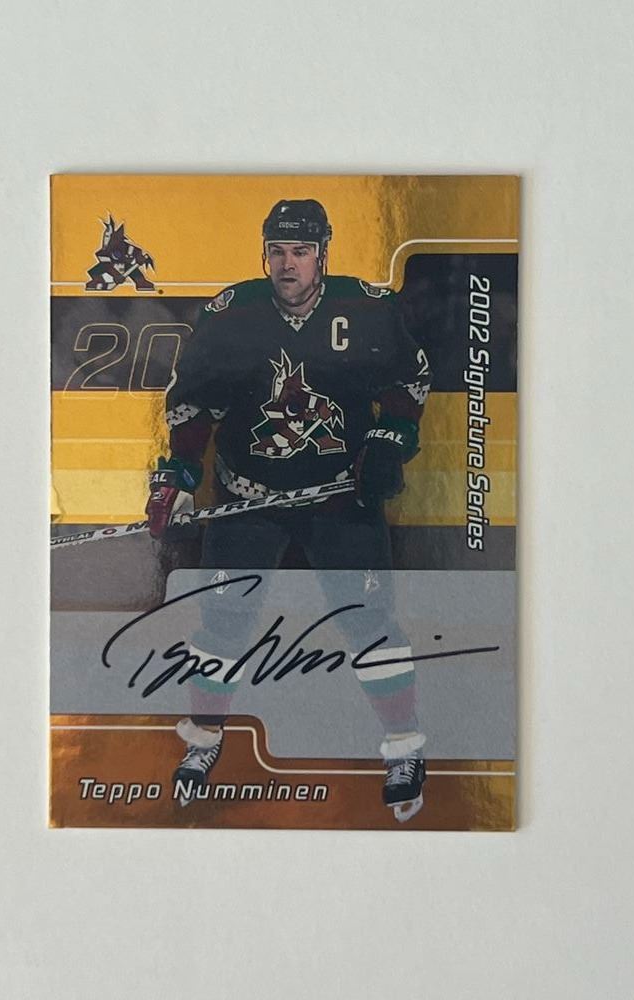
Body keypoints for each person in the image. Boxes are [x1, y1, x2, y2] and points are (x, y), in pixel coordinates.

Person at [146, 199, 432, 821]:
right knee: (222, 625)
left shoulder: (366, 307)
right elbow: (193, 402)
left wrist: (391, 440)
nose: (287, 265)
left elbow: (409, 381)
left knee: (371, 624)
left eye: (300, 251)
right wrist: (180, 475)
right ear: (264, 255)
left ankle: (404, 747)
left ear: (322, 254)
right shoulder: (232, 314)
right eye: (277, 251)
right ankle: (203, 739)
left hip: (341, 496)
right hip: (248, 498)